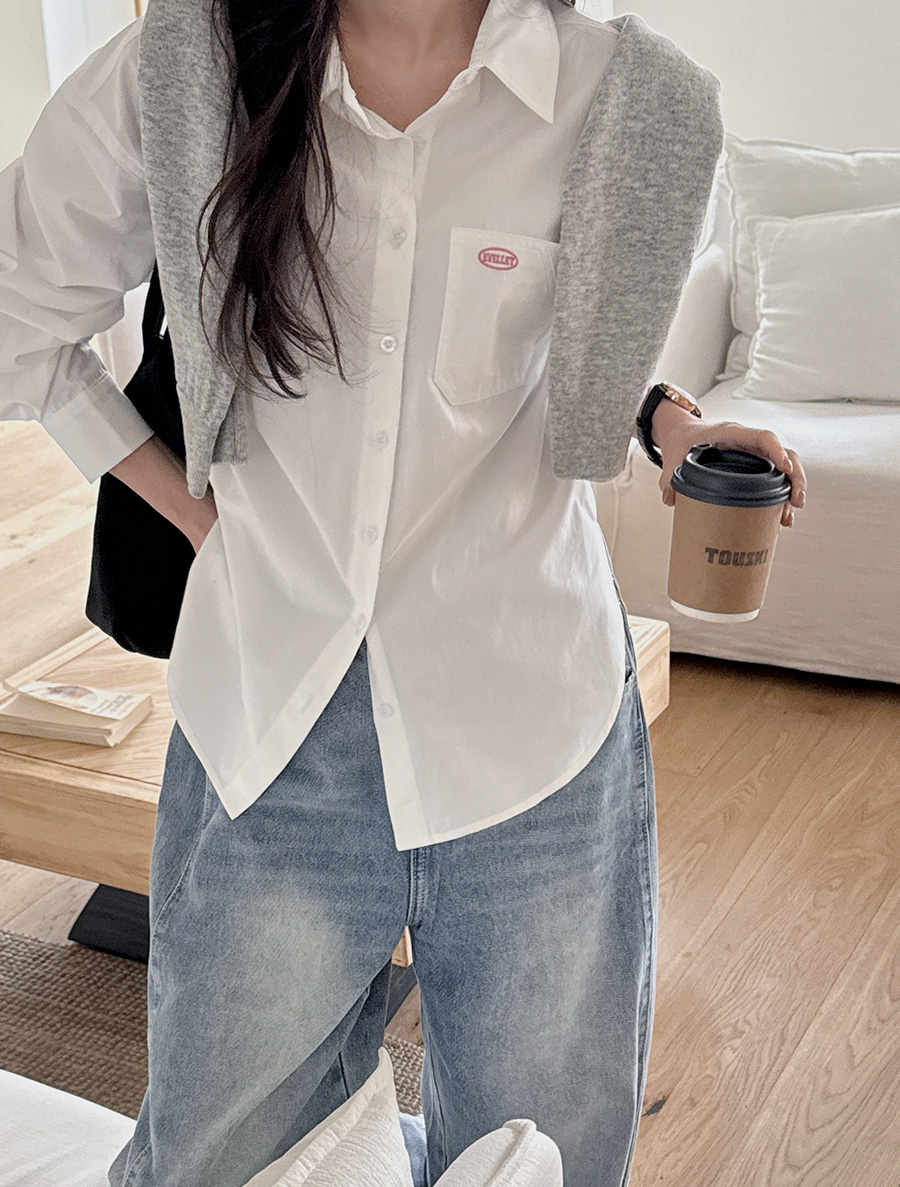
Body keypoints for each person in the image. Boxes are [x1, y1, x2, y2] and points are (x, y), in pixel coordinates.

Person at [0, 1, 807, 1184]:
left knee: (540, 1161)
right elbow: (18, 310)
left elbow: (551, 353)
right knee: (215, 1164)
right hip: (269, 730)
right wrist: (190, 510)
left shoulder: (630, 99)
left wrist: (672, 421)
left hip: (533, 732)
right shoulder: (188, 69)